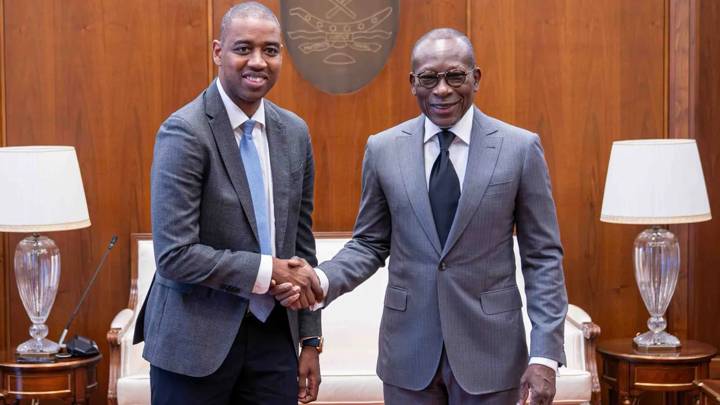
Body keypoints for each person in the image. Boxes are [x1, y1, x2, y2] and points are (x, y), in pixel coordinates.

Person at [278, 28, 568, 404]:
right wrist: (320, 279)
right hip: (408, 355)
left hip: (492, 355)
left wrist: (544, 354)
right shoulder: (383, 150)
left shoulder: (519, 149)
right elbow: (369, 243)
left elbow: (542, 257)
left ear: (476, 78)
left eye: (455, 76)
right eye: (429, 78)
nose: (442, 89)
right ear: (413, 83)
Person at [133, 2, 324, 404]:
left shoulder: (294, 133)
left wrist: (310, 338)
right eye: (244, 49)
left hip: (275, 341)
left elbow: (301, 247)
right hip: (194, 344)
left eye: (270, 50)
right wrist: (267, 271)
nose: (258, 61)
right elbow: (175, 255)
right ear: (218, 52)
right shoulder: (184, 132)